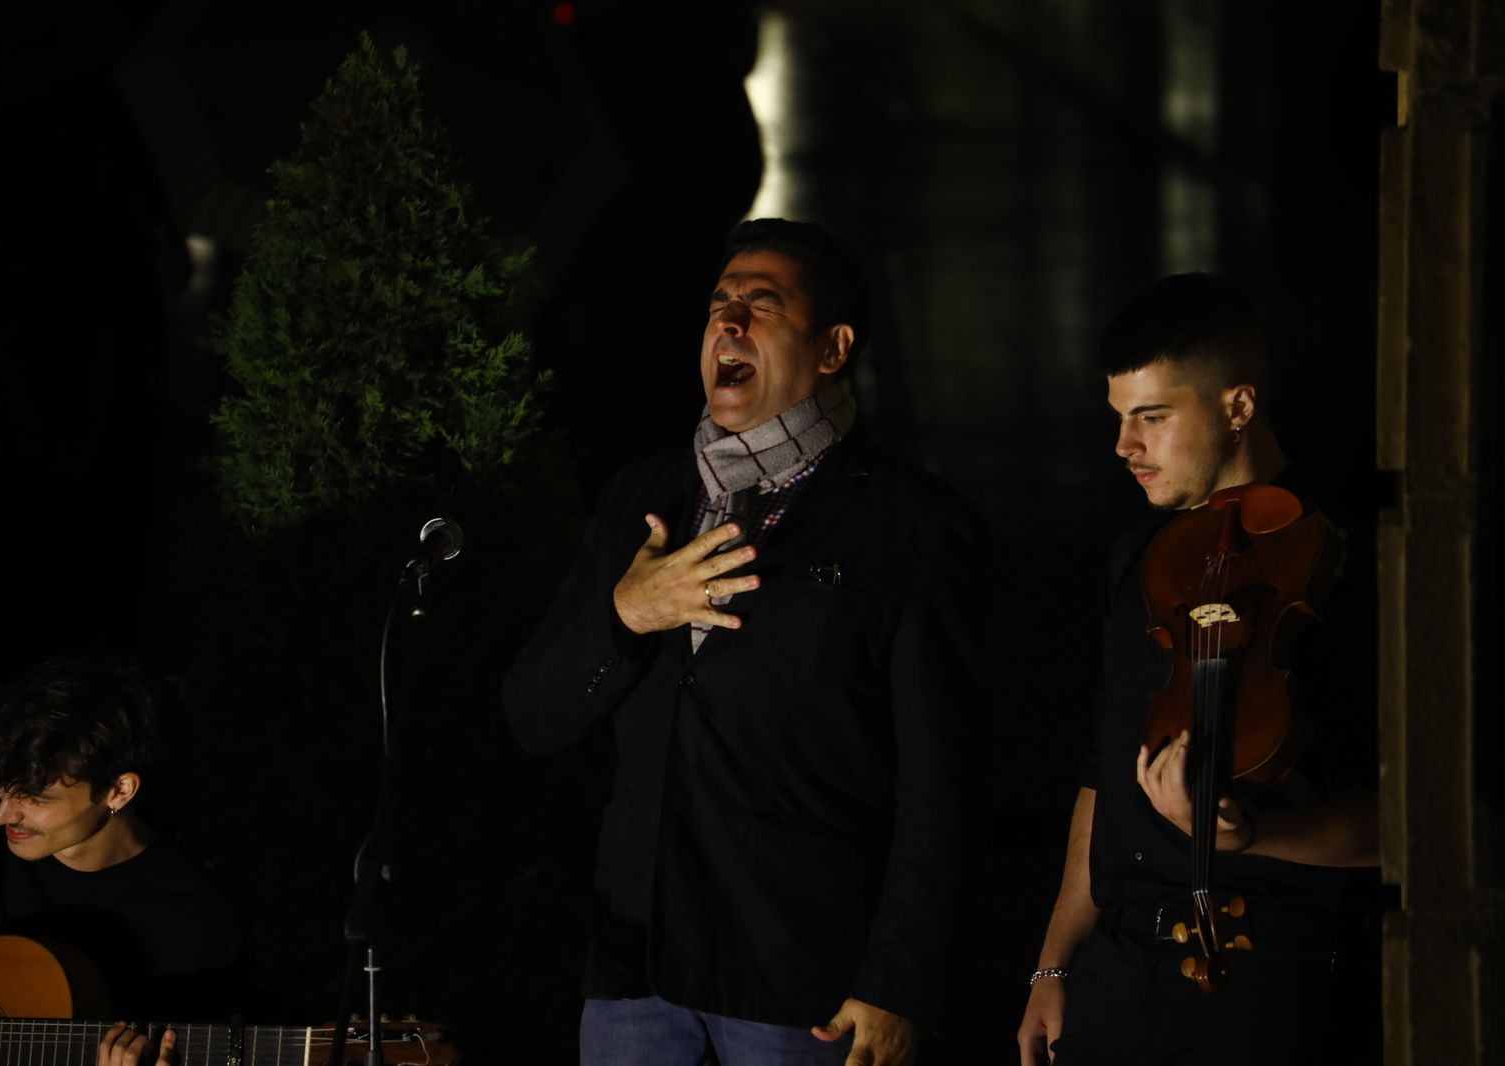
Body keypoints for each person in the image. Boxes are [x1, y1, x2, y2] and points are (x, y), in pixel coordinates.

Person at [503, 218, 980, 1066]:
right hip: (632, 970)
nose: (729, 323)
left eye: (762, 305)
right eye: (720, 304)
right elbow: (532, 715)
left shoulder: (913, 527)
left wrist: (899, 981)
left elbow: (941, 783)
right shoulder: (641, 495)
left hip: (805, 988)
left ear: (833, 348)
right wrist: (626, 615)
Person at [1015, 274, 1381, 1065]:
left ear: (1238, 406)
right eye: (1119, 419)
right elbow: (1104, 763)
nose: (1124, 447)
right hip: (1115, 972)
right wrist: (1054, 963)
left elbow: (1412, 823)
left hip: (1265, 977)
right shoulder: (1140, 558)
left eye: (1151, 418)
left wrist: (1250, 835)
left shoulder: (1338, 563)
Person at [0, 657, 245, 1017]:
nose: (2, 815)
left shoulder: (196, 926)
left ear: (119, 791)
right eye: (3, 789)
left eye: (36, 799)